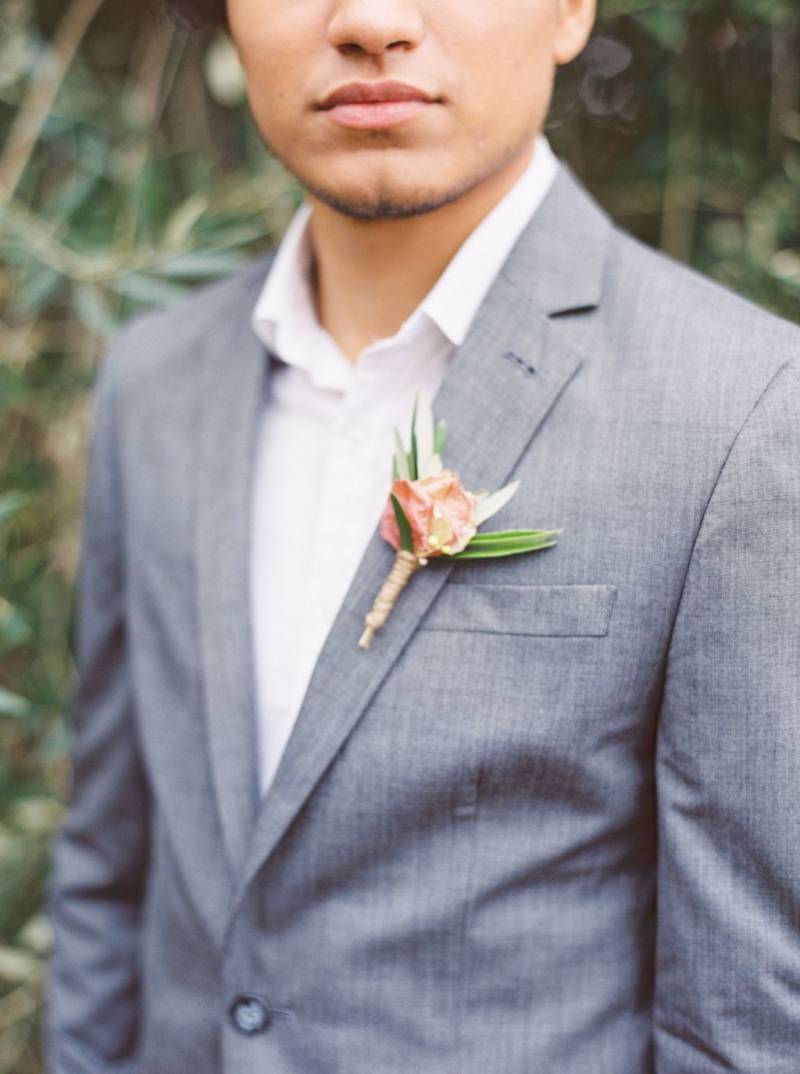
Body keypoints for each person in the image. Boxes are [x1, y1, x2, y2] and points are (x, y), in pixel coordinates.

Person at [43, 1, 800, 1071]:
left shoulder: (740, 406)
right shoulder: (153, 382)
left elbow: (746, 1018)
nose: (371, 20)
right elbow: (111, 863)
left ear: (570, 10)